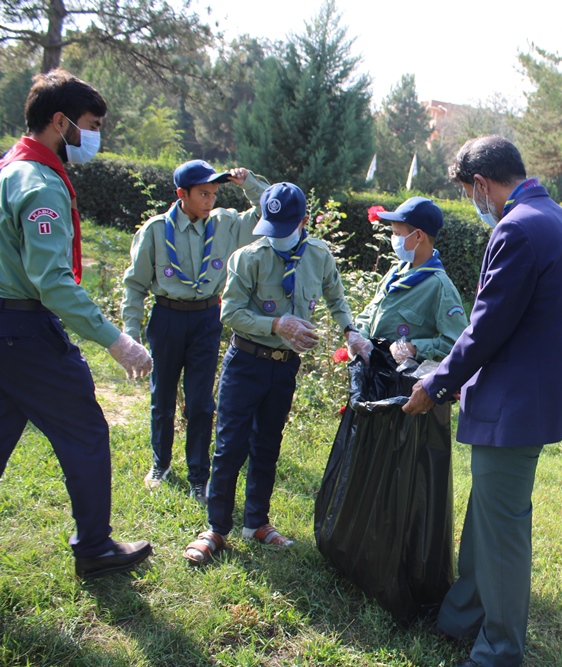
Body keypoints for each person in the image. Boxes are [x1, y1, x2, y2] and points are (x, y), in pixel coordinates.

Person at [402, 136, 562, 667]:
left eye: (468, 192)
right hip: (536, 397)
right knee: (487, 516)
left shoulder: (516, 228)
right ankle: (461, 614)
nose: (473, 202)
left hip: (514, 405)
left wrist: (437, 383)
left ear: (481, 184)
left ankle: (500, 650)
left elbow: (486, 328)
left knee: (504, 528)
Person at [0, 69, 153, 578]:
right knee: (85, 432)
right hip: (24, 332)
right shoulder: (39, 184)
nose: (95, 137)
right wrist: (117, 342)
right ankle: (95, 547)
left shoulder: (7, 169)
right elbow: (53, 283)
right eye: (91, 124)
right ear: (60, 122)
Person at [183, 182, 371, 564]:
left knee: (267, 443)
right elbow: (230, 313)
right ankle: (217, 528)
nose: (276, 237)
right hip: (246, 362)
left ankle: (257, 523)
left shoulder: (319, 256)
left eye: (285, 228)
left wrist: (350, 331)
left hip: (284, 368)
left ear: (303, 221)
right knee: (230, 445)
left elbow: (336, 297)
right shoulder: (248, 258)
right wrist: (277, 325)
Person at [121, 159, 269, 503]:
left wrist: (248, 183)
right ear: (181, 194)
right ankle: (161, 463)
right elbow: (135, 285)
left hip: (205, 319)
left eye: (214, 193)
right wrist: (130, 333)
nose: (210, 201)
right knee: (163, 396)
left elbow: (268, 214)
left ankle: (198, 475)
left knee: (201, 403)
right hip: (167, 317)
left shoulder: (225, 224)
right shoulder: (156, 230)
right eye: (203, 194)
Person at [355, 196, 468, 363]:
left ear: (418, 236)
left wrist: (415, 348)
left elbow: (457, 342)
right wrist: (359, 337)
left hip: (402, 381)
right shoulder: (397, 271)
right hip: (372, 373)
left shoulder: (438, 287)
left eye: (397, 234)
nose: (394, 239)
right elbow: (371, 311)